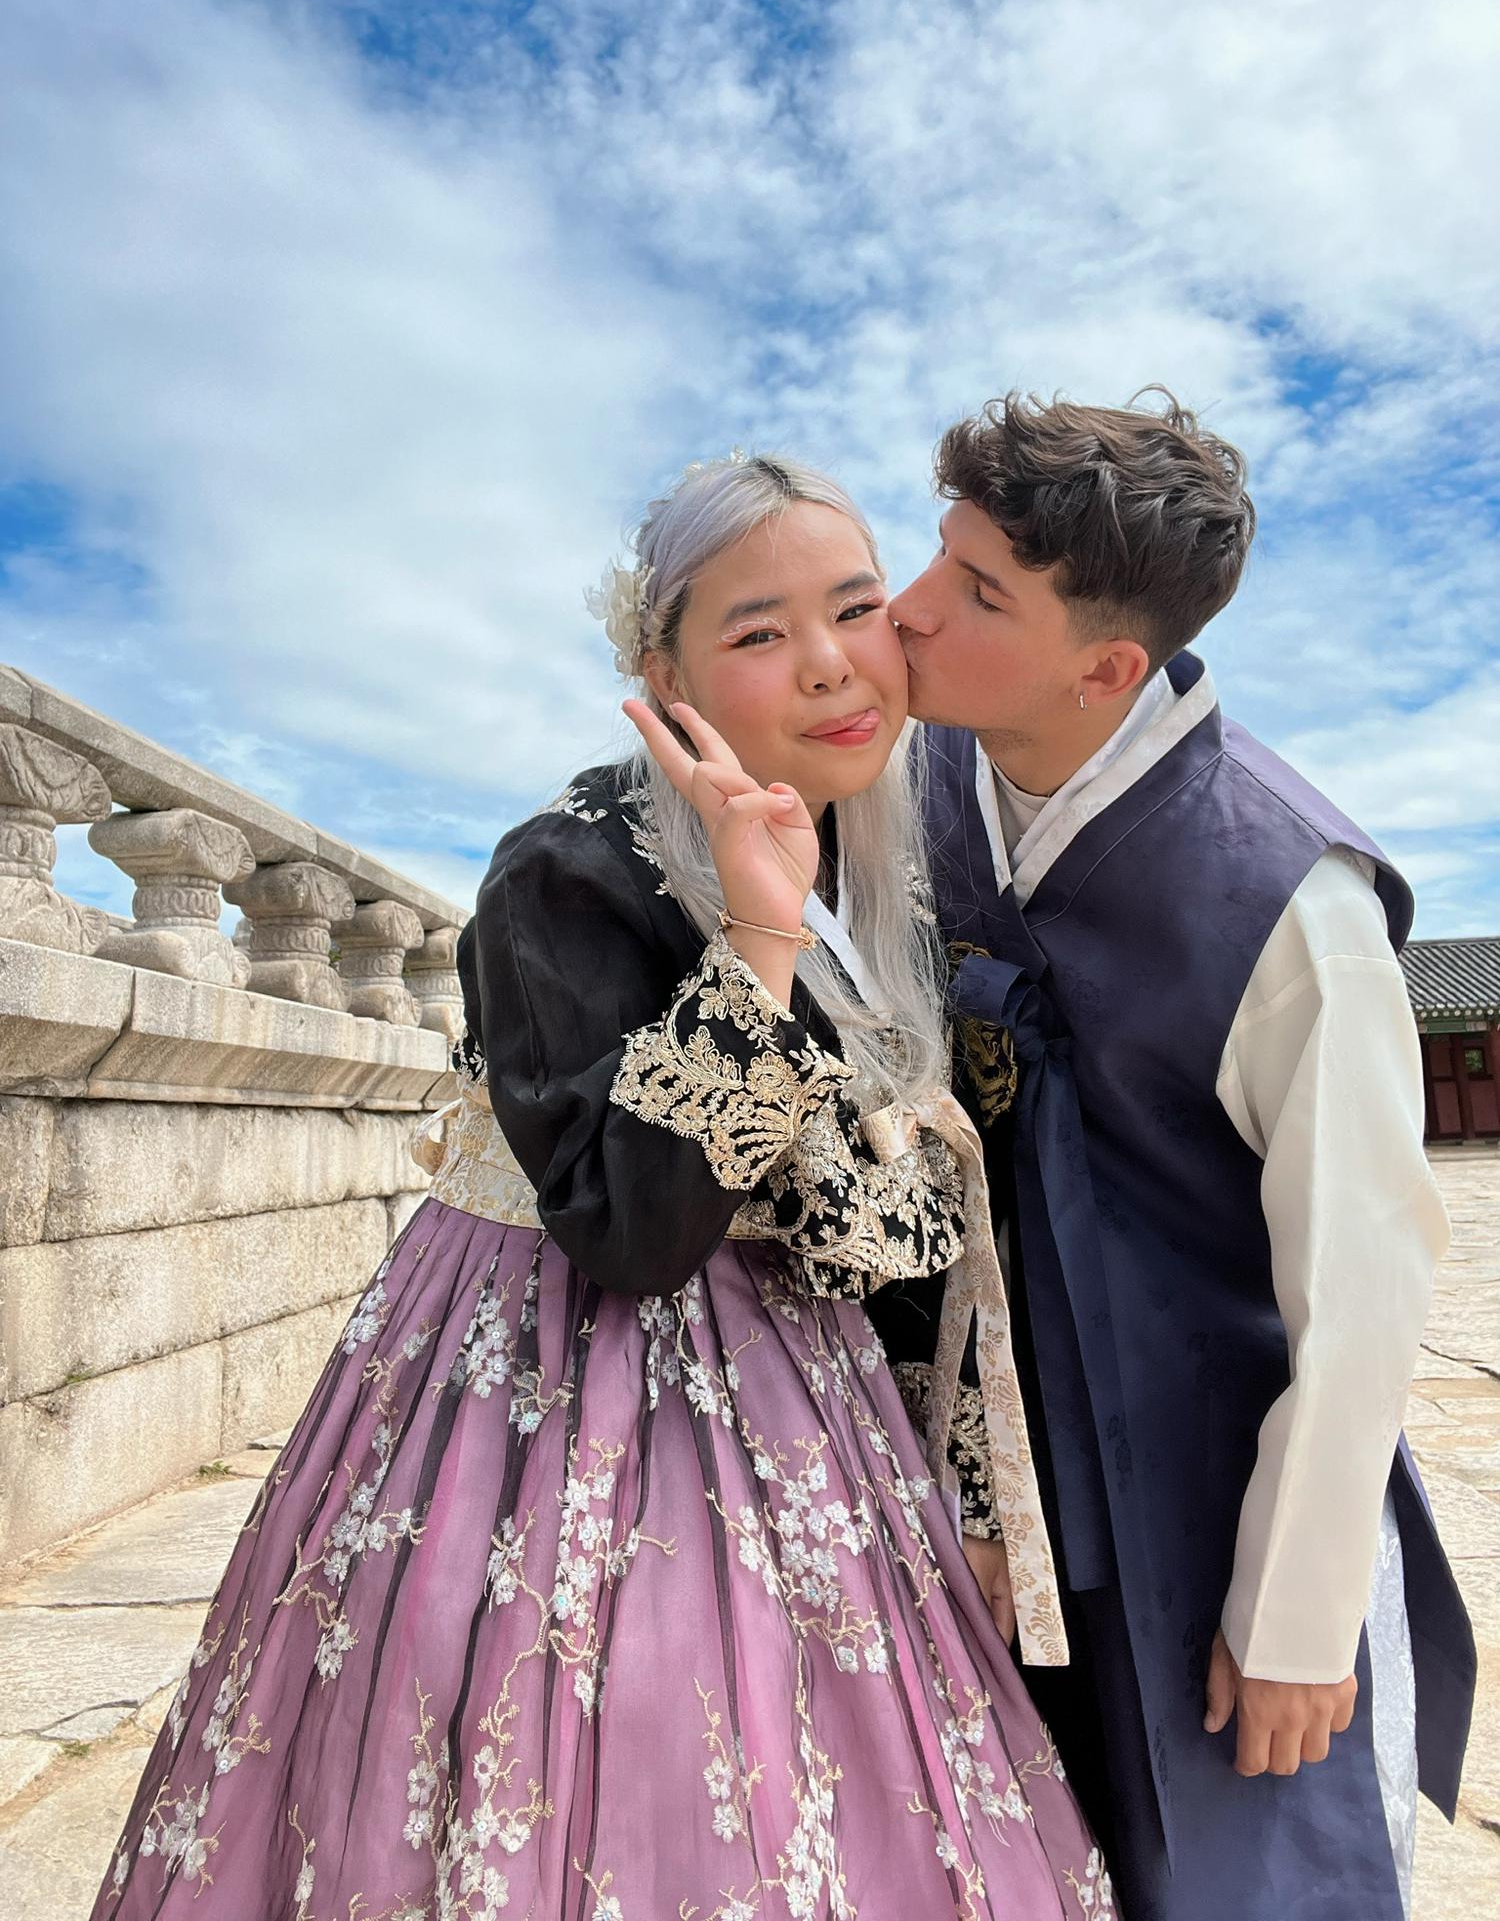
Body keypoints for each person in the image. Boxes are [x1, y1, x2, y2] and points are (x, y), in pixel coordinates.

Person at [91, 452, 1113, 1920]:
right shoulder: (562, 877)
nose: (832, 667)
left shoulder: (883, 851)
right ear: (665, 670)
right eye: (759, 633)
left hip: (809, 1395)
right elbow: (634, 1233)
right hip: (555, 1384)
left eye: (857, 609)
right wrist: (754, 949)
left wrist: (967, 1492)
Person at [885, 390, 1476, 1921]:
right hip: (987, 1454)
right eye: (934, 560)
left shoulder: (1289, 900)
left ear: (1108, 665)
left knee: (1244, 1872)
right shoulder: (926, 790)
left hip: (1215, 1473)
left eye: (976, 595)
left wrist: (1296, 1618)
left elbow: (1360, 1295)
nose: (911, 611)